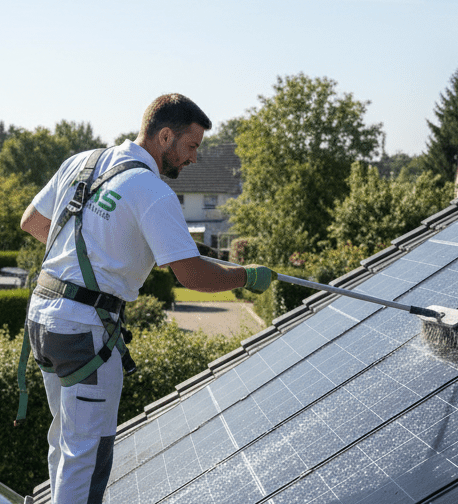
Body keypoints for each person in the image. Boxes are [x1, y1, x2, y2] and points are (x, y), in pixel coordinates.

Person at [18, 93, 275, 504]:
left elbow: (33, 221)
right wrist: (245, 276)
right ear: (165, 136)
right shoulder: (152, 191)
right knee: (87, 456)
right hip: (84, 331)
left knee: (66, 440)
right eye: (191, 146)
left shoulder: (83, 162)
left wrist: (101, 253)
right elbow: (192, 274)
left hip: (43, 317)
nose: (193, 159)